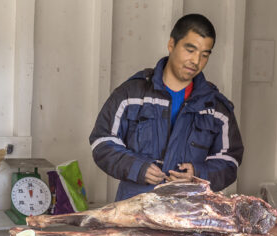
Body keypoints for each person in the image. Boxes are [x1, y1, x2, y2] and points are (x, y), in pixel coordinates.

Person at [89, 14, 244, 201]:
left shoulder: (216, 108)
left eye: (204, 55)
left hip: (189, 214)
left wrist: (198, 173)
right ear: (171, 45)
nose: (196, 61)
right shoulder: (132, 95)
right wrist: (137, 168)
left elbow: (230, 161)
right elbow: (102, 142)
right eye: (190, 50)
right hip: (135, 210)